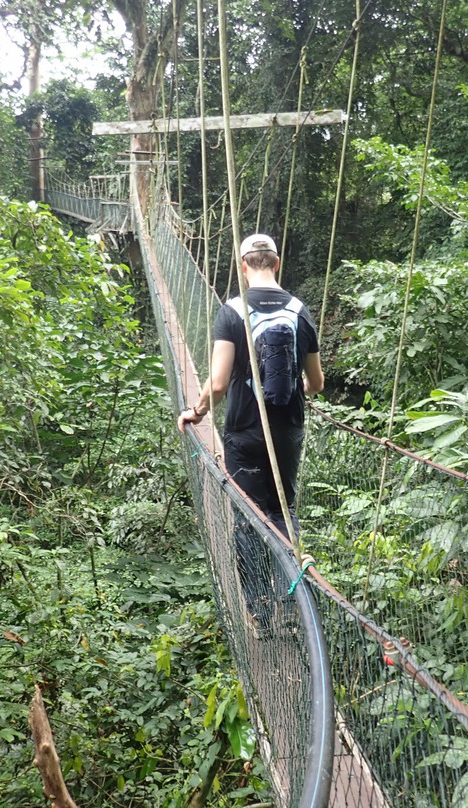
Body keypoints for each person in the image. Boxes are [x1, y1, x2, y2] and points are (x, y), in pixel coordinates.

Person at [177, 233, 324, 637]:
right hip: (288, 428)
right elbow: (317, 382)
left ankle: (259, 615)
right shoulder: (300, 310)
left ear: (244, 267)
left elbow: (219, 382)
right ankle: (293, 606)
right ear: (276, 263)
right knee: (282, 512)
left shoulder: (232, 311)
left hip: (243, 429)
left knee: (248, 521)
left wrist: (197, 410)